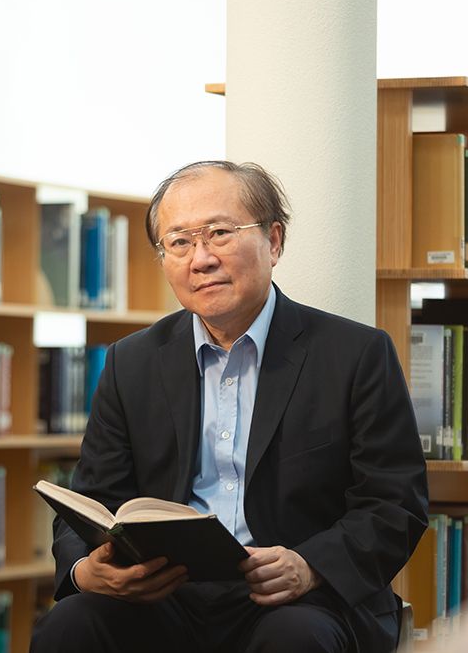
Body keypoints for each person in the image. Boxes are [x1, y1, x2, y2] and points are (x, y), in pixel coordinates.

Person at [31, 161, 429, 653]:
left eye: (219, 233)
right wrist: (83, 570)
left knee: (295, 640)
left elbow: (394, 502)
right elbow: (90, 500)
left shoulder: (356, 354)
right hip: (165, 594)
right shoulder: (130, 362)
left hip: (298, 597)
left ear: (274, 242)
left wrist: (310, 567)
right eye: (179, 242)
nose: (200, 259)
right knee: (69, 625)